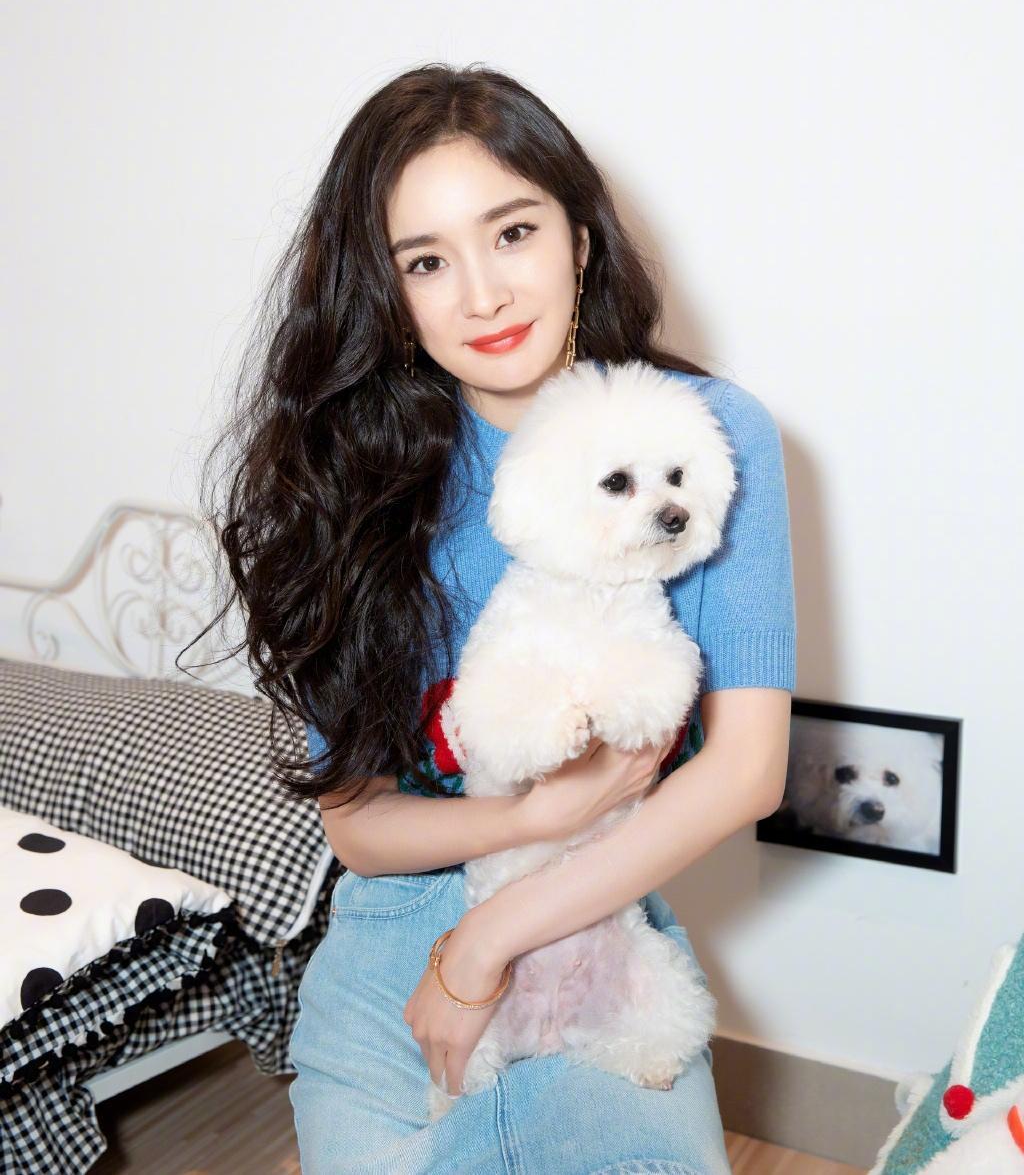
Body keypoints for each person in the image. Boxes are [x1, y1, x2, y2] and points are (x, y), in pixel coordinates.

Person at [202, 62, 796, 1174]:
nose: (481, 295)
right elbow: (359, 829)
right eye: (425, 261)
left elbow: (747, 770)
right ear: (387, 292)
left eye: (513, 232)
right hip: (386, 948)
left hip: (595, 924)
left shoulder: (702, 437)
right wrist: (528, 815)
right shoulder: (353, 482)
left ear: (579, 240)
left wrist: (487, 939)